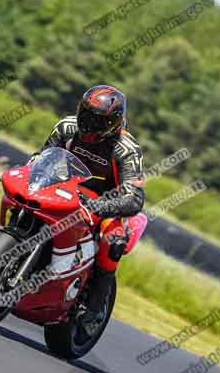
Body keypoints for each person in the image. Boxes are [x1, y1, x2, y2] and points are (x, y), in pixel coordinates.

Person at [39, 85, 148, 334]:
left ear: (113, 122)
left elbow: (134, 198)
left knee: (113, 239)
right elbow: (42, 156)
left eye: (97, 120)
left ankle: (95, 306)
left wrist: (100, 206)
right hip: (65, 189)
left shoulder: (126, 149)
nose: (88, 123)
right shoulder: (67, 127)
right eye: (86, 114)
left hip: (106, 204)